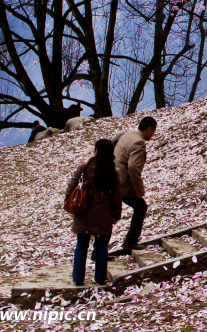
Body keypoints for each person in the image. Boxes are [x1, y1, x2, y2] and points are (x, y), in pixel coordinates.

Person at [65, 138, 121, 286]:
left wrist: (68, 201)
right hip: (104, 214)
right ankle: (100, 278)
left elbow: (71, 186)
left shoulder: (84, 167)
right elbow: (116, 195)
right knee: (102, 247)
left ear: (96, 151)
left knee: (81, 246)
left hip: (84, 212)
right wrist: (116, 214)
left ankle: (78, 279)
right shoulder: (112, 170)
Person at [114, 116, 156, 251]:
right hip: (122, 183)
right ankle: (130, 241)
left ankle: (98, 250)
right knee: (141, 207)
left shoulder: (127, 134)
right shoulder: (139, 142)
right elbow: (133, 167)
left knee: (110, 214)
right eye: (153, 132)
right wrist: (139, 187)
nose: (152, 135)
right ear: (149, 129)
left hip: (113, 178)